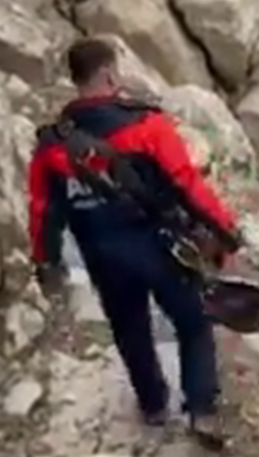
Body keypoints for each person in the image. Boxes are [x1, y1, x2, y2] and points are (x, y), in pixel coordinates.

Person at [27, 37, 239, 450]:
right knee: (193, 322)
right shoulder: (147, 126)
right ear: (109, 74)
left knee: (130, 329)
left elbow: (43, 211)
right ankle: (201, 409)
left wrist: (46, 262)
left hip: (100, 255)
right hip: (157, 246)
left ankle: (153, 405)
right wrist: (226, 232)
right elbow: (187, 186)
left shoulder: (52, 145)